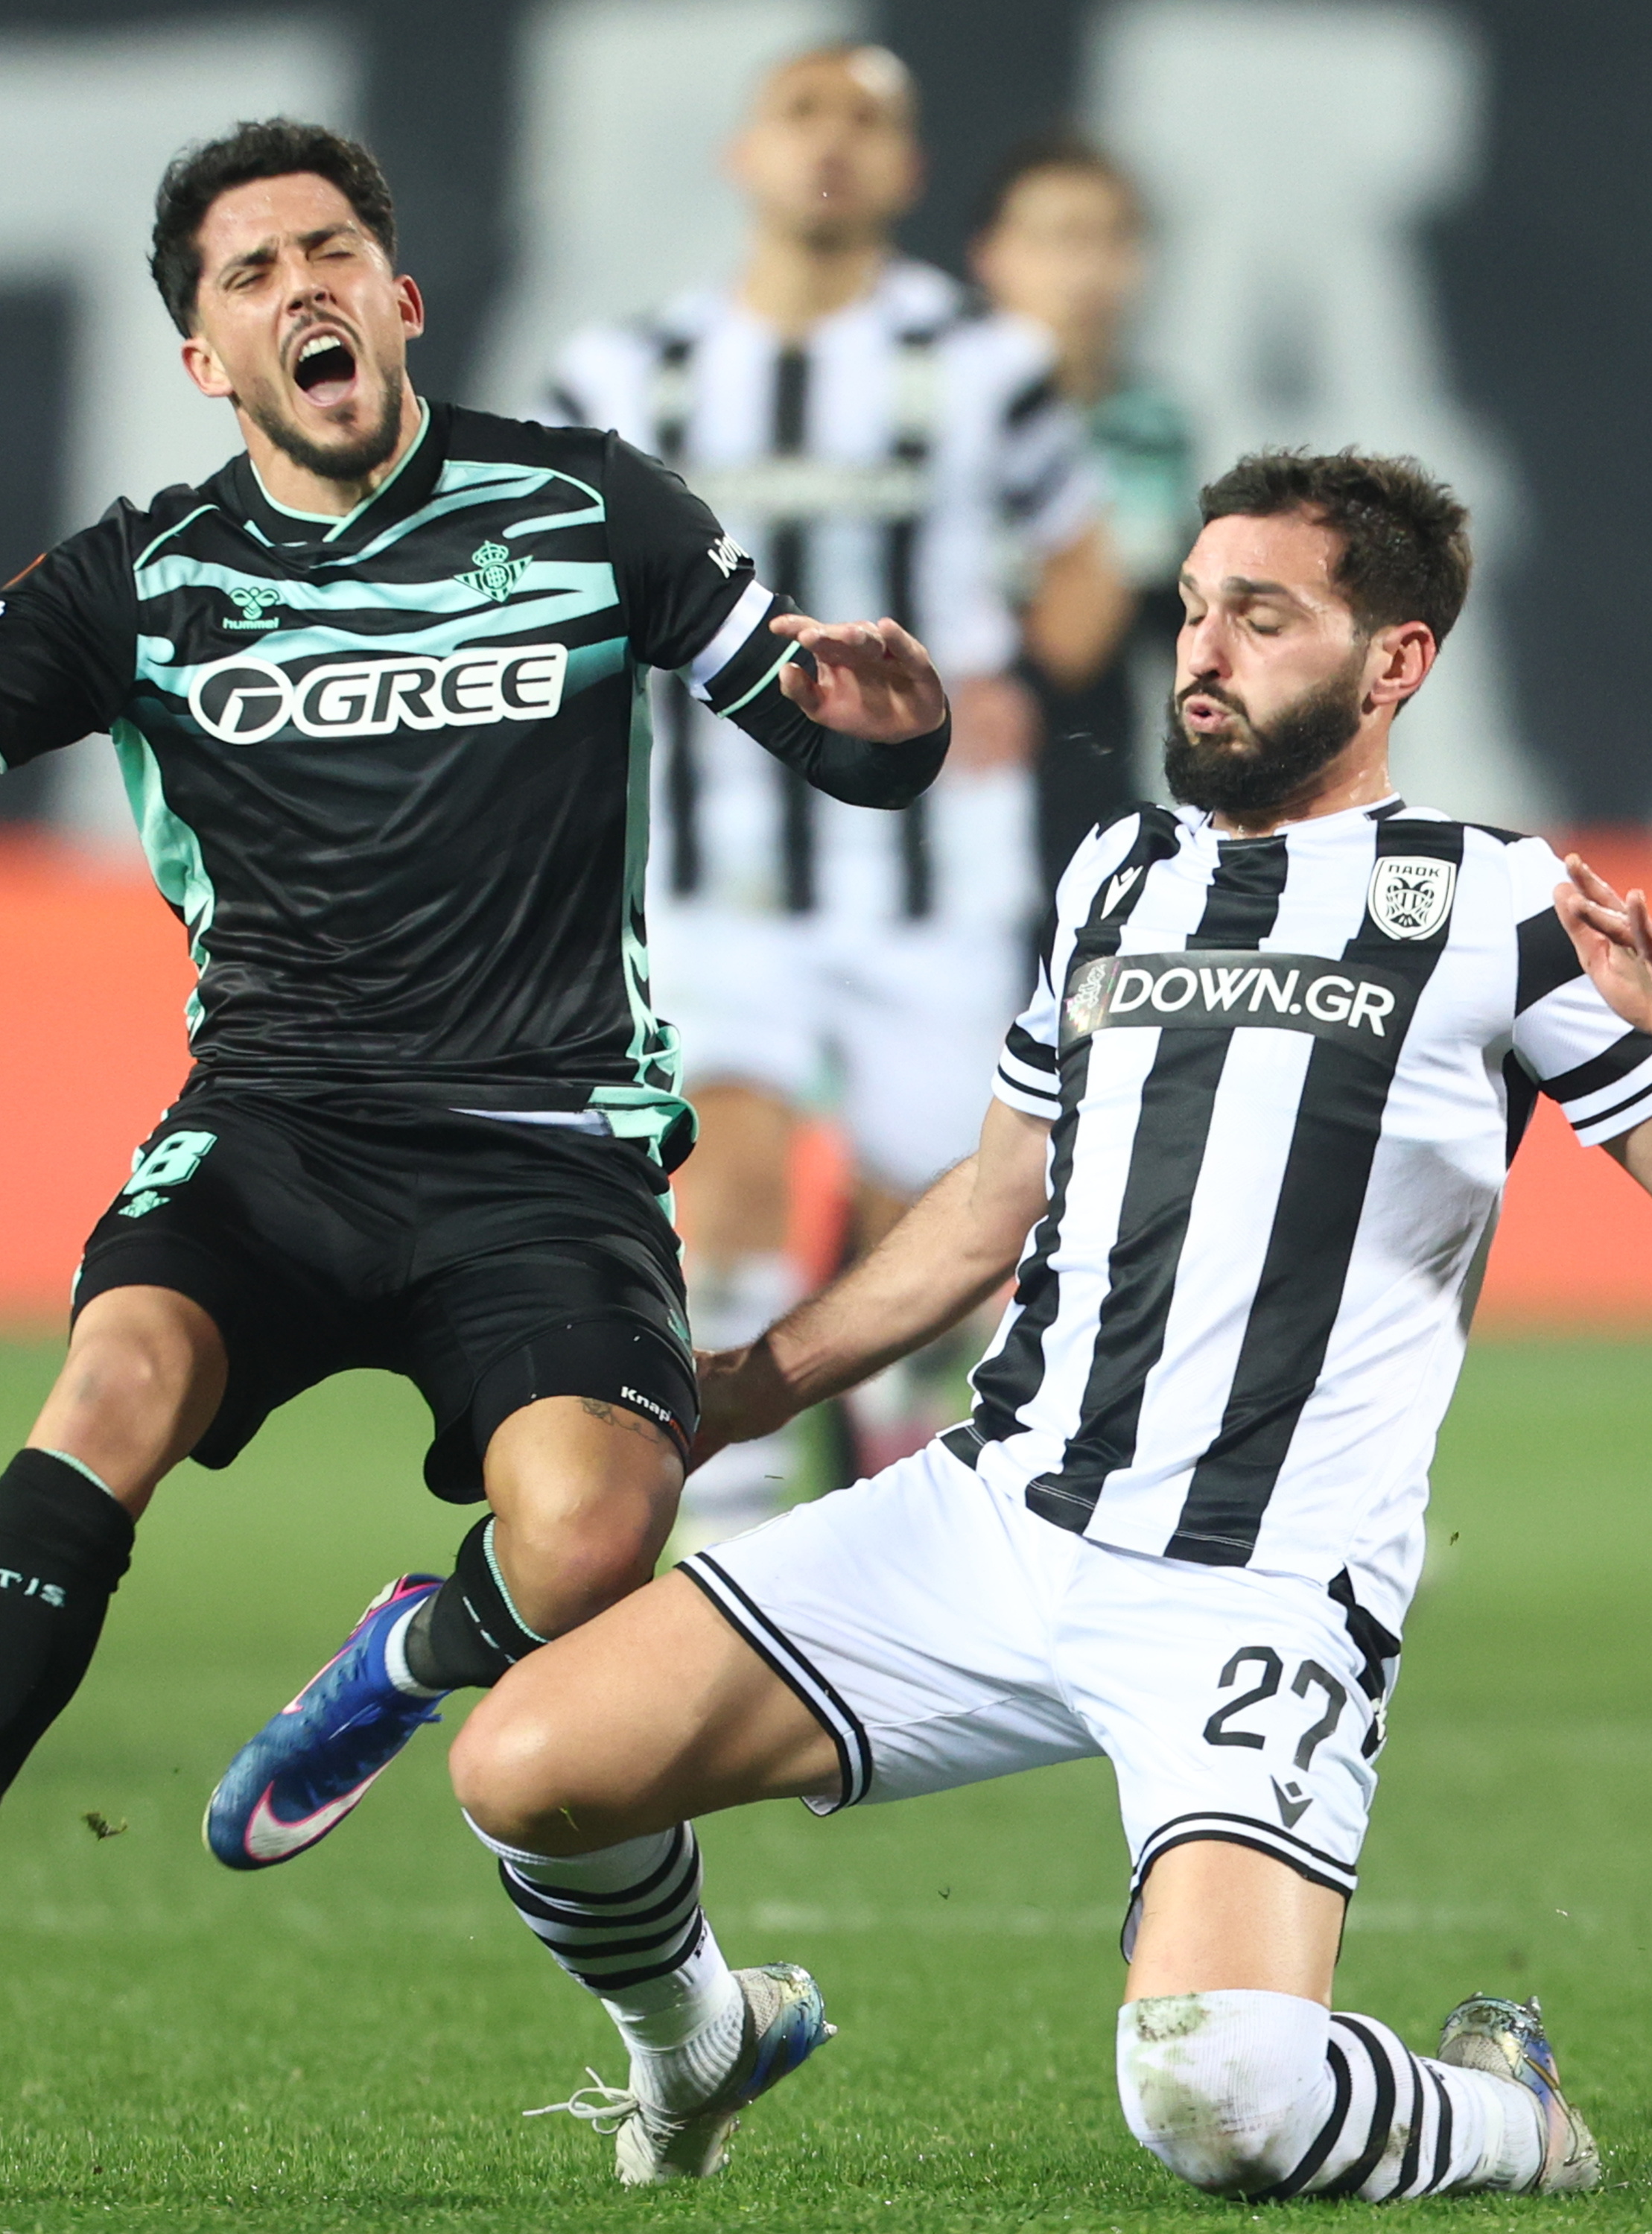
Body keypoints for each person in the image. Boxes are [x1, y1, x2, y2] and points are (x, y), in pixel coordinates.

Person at [0, 118, 954, 2085]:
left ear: (400, 300)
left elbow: (834, 738)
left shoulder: (591, 510)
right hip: (278, 1129)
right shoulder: (144, 578)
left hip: (542, 1146)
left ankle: (404, 1655)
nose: (301, 285)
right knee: (112, 1380)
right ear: (203, 357)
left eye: (330, 251)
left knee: (593, 1535)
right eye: (250, 272)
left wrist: (894, 733)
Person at [448, 449, 1652, 2192]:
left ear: (1392, 661)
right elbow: (989, 1199)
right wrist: (743, 1387)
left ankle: (1511, 2113)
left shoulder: (1496, 902)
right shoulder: (1119, 871)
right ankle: (698, 2040)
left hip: (1258, 1578)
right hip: (994, 1516)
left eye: (1261, 615)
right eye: (1190, 607)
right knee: (529, 1763)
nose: (1201, 649)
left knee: (1218, 2098)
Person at [542, 45, 1119, 1535]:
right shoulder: (623, 376)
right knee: (724, 1177)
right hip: (714, 868)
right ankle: (725, 1554)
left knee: (923, 1241)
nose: (833, 144)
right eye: (804, 114)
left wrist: (1019, 683)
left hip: (933, 873)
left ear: (908, 172)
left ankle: (893, 1495)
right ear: (743, 153)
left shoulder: (987, 366)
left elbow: (1080, 565)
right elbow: (552, 588)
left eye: (868, 123)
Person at [969, 131, 1198, 883]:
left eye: (1113, 239)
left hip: (1090, 815)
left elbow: (1148, 629)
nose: (1088, 270)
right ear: (990, 257)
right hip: (946, 798)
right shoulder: (928, 424)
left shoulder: (1152, 428)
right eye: (1060, 239)